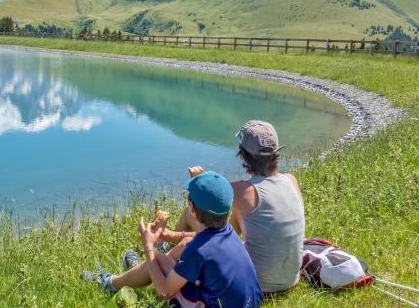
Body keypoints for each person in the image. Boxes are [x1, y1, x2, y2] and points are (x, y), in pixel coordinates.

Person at [164, 120, 305, 294]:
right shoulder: (291, 180)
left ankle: (164, 252)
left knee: (191, 212)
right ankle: (170, 244)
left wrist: (199, 179)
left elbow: (213, 199)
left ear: (244, 156)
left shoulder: (242, 191)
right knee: (236, 218)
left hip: (253, 283)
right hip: (291, 279)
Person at [90, 171, 263, 307]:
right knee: (166, 256)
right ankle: (131, 274)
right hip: (247, 303)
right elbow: (200, 238)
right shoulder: (229, 232)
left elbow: (164, 291)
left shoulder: (198, 251)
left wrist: (148, 246)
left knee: (156, 260)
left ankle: (110, 282)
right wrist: (168, 235)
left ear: (191, 207)